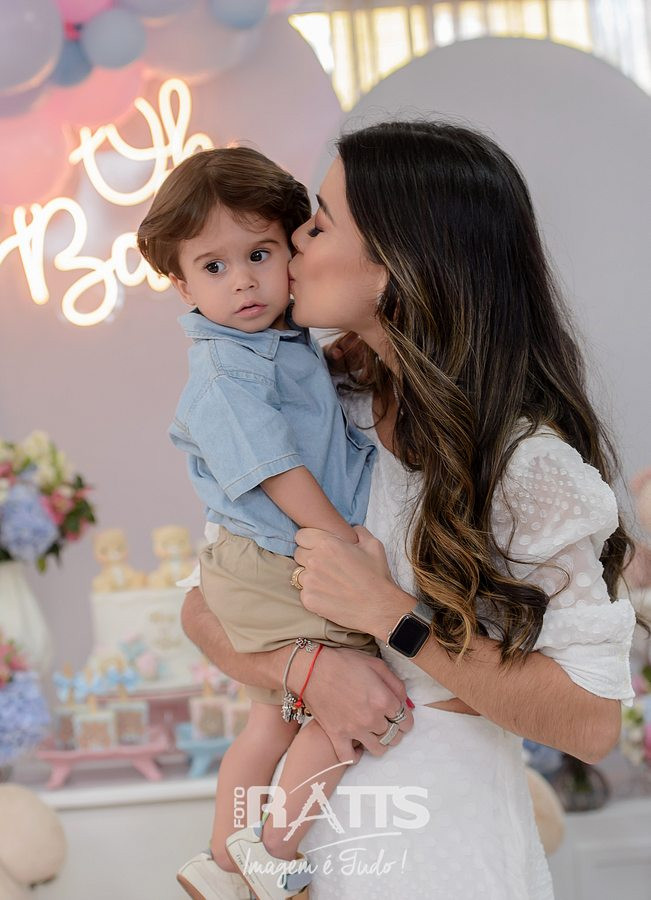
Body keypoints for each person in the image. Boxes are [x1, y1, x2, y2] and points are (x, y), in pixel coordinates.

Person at [181, 121, 639, 900]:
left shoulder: (524, 465)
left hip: (438, 855)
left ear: (396, 264)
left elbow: (589, 724)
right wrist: (308, 668)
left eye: (319, 224)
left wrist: (391, 617)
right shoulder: (327, 401)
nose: (292, 243)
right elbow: (201, 607)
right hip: (300, 860)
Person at [137, 147, 398, 900]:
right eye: (214, 267)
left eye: (259, 254)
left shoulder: (280, 345)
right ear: (183, 284)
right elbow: (278, 471)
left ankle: (221, 864)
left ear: (290, 252)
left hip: (265, 559)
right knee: (347, 717)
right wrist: (342, 544)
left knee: (269, 723)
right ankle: (271, 849)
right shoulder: (226, 373)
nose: (244, 281)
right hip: (277, 558)